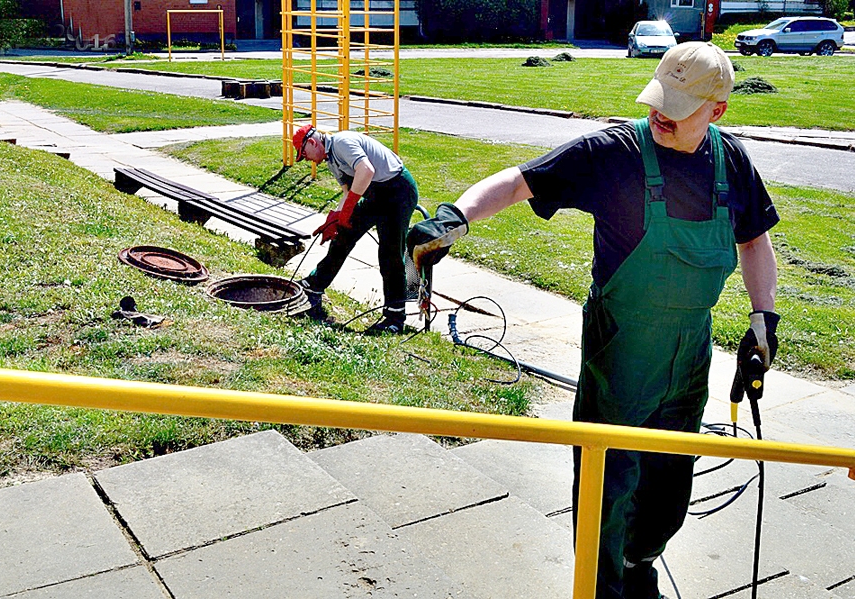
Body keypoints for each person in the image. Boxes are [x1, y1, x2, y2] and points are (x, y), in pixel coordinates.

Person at [407, 42, 780, 599]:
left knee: (668, 491)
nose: (660, 113)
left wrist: (763, 318)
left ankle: (639, 564)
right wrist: (456, 217)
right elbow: (518, 181)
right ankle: (600, 588)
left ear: (716, 111)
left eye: (677, 107)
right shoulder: (614, 152)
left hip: (689, 361)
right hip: (621, 357)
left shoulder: (732, 163)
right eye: (659, 97)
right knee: (609, 490)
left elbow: (754, 241)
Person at [292, 125, 419, 333]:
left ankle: (395, 317)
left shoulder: (342, 142)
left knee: (390, 253)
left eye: (304, 153)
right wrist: (335, 219)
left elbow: (366, 170)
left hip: (398, 191)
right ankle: (315, 285)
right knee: (343, 236)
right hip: (375, 194)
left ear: (313, 143)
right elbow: (347, 192)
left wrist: (349, 208)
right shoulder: (331, 160)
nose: (306, 159)